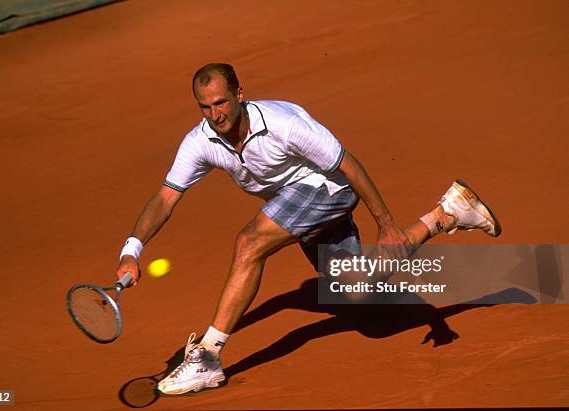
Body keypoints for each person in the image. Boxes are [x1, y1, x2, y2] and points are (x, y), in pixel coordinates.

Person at [116, 63, 501, 395]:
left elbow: (348, 163)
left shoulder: (284, 124)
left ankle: (209, 355)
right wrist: (132, 249)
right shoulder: (200, 141)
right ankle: (446, 214)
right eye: (205, 107)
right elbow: (166, 197)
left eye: (221, 102)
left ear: (239, 94)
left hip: (329, 187)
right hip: (294, 201)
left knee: (249, 243)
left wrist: (385, 223)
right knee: (357, 289)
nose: (215, 114)